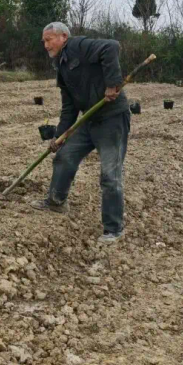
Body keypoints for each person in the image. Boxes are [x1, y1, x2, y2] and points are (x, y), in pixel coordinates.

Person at [31, 22, 130, 244]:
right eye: (44, 41)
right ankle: (56, 202)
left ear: (63, 37)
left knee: (109, 174)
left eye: (49, 40)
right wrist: (59, 135)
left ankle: (114, 229)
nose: (45, 45)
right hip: (89, 119)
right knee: (65, 155)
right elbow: (69, 107)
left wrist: (113, 83)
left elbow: (111, 47)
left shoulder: (79, 46)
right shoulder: (61, 66)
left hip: (112, 118)